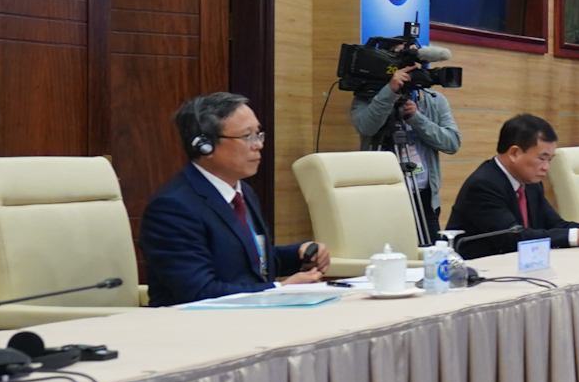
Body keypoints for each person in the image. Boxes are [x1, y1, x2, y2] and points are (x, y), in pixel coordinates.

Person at [140, 92, 329, 306]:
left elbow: (247, 260)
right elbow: (198, 291)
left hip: (249, 317)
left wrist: (298, 256)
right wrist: (280, 290)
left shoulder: (243, 191)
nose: (258, 145)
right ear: (205, 145)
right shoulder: (172, 208)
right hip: (195, 323)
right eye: (247, 136)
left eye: (258, 134)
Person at [446, 113, 579, 249]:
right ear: (514, 153)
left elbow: (555, 225)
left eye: (550, 160)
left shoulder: (530, 183)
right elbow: (512, 238)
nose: (546, 167)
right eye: (542, 159)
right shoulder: (484, 185)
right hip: (474, 274)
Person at [351, 59, 461, 241]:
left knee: (429, 253)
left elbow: (452, 143)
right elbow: (366, 127)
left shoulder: (434, 100)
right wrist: (389, 93)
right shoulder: (366, 96)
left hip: (424, 198)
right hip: (382, 198)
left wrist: (416, 118)